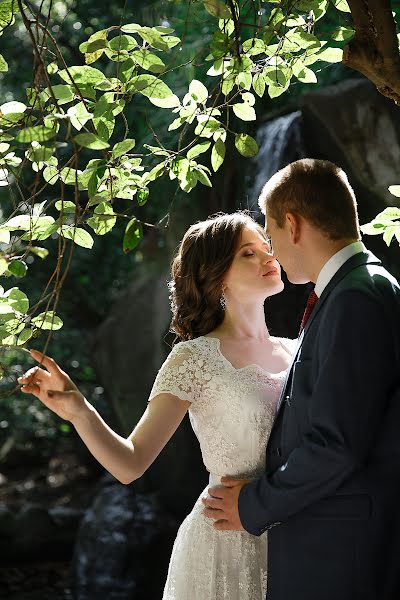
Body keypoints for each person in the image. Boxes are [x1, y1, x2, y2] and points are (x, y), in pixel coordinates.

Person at [18, 211, 296, 599]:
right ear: (216, 276)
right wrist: (80, 410)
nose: (269, 258)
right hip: (225, 542)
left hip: (298, 534)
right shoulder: (193, 359)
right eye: (248, 253)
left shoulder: (300, 350)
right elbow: (130, 463)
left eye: (267, 248)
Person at [202, 159, 400, 600]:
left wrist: (252, 505)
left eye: (269, 234)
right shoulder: (354, 289)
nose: (271, 248)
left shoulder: (356, 298)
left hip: (341, 556)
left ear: (292, 225)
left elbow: (338, 444)